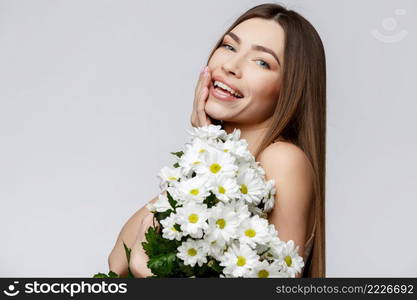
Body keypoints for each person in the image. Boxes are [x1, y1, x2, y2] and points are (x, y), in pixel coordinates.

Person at [108, 3, 326, 278]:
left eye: (262, 62)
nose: (231, 66)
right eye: (229, 46)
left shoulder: (282, 159)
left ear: (290, 89)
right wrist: (205, 145)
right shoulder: (219, 165)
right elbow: (118, 261)